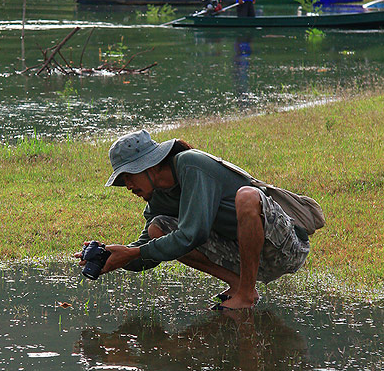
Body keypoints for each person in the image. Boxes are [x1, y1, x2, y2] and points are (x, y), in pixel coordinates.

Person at [79, 130, 314, 310]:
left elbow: (194, 233)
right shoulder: (157, 201)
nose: (128, 186)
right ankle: (240, 286)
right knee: (157, 229)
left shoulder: (190, 163)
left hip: (285, 247)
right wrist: (110, 258)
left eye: (129, 176)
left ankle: (245, 292)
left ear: (149, 165)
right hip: (243, 254)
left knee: (247, 197)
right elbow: (145, 254)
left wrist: (131, 253)